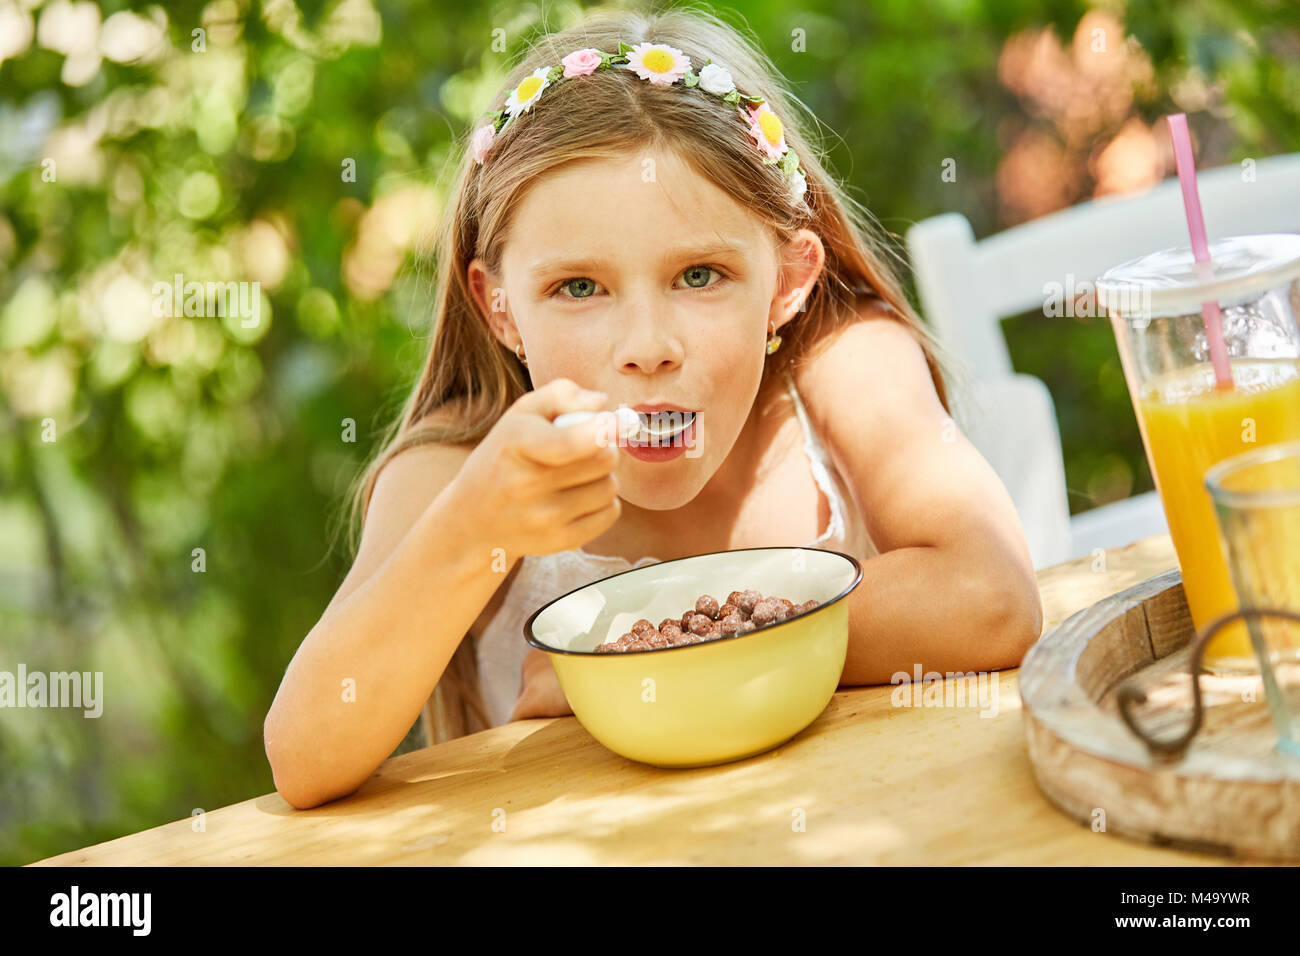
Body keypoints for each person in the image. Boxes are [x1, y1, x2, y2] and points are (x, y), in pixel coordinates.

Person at [264, 5, 1043, 810]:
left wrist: (637, 657)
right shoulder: (458, 472)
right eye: (579, 288)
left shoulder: (845, 366)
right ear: (498, 308)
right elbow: (306, 753)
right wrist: (472, 531)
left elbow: (991, 599)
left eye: (699, 275)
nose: (647, 346)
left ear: (788, 279)